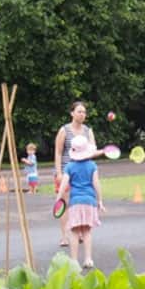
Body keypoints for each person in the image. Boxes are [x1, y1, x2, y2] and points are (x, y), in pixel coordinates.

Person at [56, 134, 105, 270]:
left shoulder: (69, 167)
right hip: (90, 201)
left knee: (74, 231)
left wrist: (58, 198)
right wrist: (100, 200)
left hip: (75, 202)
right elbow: (96, 183)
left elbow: (64, 184)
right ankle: (88, 258)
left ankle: (74, 260)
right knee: (87, 230)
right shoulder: (92, 166)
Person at [53, 101, 96, 247]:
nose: (82, 114)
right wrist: (59, 173)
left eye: (84, 112)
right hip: (66, 171)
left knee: (80, 203)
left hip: (82, 173)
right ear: (72, 113)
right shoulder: (64, 130)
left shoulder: (88, 131)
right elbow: (58, 152)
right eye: (79, 111)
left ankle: (81, 233)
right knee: (65, 204)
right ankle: (65, 236)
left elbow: (92, 150)